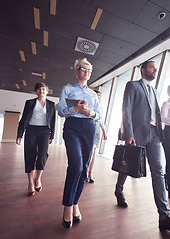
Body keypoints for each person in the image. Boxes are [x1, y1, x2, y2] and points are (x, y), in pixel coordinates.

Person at [114, 60, 170, 236]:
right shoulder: (132, 86)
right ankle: (119, 190)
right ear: (142, 70)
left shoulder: (156, 92)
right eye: (151, 67)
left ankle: (164, 217)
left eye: (156, 68)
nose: (155, 69)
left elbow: (157, 115)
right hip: (137, 133)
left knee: (158, 171)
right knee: (128, 165)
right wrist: (128, 133)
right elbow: (126, 109)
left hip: (154, 135)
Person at [58, 58, 100, 229]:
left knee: (83, 168)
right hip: (72, 127)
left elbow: (99, 114)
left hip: (89, 127)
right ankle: (68, 206)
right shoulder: (67, 89)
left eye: (89, 70)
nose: (86, 72)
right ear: (76, 72)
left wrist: (91, 112)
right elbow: (61, 111)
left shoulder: (92, 94)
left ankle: (75, 202)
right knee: (75, 166)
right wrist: (75, 109)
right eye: (83, 69)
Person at [16, 82, 56, 197]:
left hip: (44, 132)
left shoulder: (51, 104)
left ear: (47, 91)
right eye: (39, 89)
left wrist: (52, 135)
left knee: (43, 156)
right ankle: (30, 183)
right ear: (36, 91)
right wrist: (20, 135)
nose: (41, 91)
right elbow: (23, 120)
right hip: (31, 131)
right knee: (30, 155)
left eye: (43, 89)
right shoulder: (29, 103)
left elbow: (53, 122)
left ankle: (38, 179)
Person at [87, 89, 107, 183]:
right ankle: (85, 171)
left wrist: (104, 132)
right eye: (96, 95)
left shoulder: (101, 108)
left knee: (94, 152)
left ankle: (90, 172)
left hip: (98, 129)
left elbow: (101, 120)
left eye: (99, 96)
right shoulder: (88, 105)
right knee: (89, 152)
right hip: (89, 127)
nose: (98, 97)